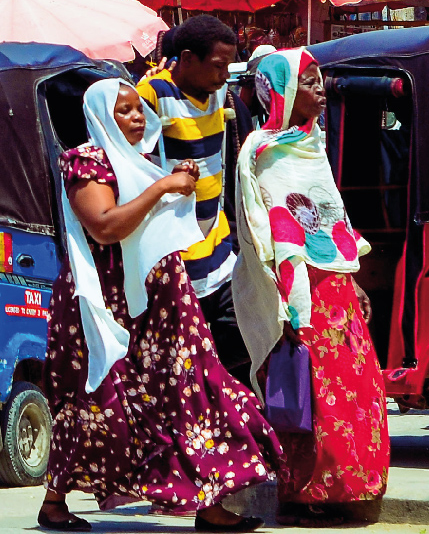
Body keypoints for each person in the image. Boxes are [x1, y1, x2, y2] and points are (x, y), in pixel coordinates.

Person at [40, 76, 280, 531]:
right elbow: (106, 227)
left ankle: (210, 505)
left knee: (194, 390)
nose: (137, 118)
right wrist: (164, 187)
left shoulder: (144, 162)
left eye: (137, 109)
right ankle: (54, 501)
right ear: (99, 118)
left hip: (164, 304)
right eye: (124, 111)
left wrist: (176, 183)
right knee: (98, 403)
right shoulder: (86, 164)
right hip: (108, 307)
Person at [233, 49, 388, 519]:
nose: (320, 89)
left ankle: (354, 488)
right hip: (296, 290)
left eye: (320, 80)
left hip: (336, 288)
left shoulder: (312, 144)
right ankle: (308, 496)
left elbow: (330, 220)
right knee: (311, 393)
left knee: (356, 388)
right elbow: (265, 230)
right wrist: (284, 301)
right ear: (281, 91)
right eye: (309, 81)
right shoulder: (260, 151)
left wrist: (351, 279)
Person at [139, 14, 251, 382]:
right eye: (218, 66)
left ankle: (217, 395)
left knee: (247, 334)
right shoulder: (153, 94)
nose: (224, 75)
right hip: (175, 250)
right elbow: (131, 162)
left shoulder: (220, 92)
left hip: (217, 245)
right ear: (188, 60)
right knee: (183, 352)